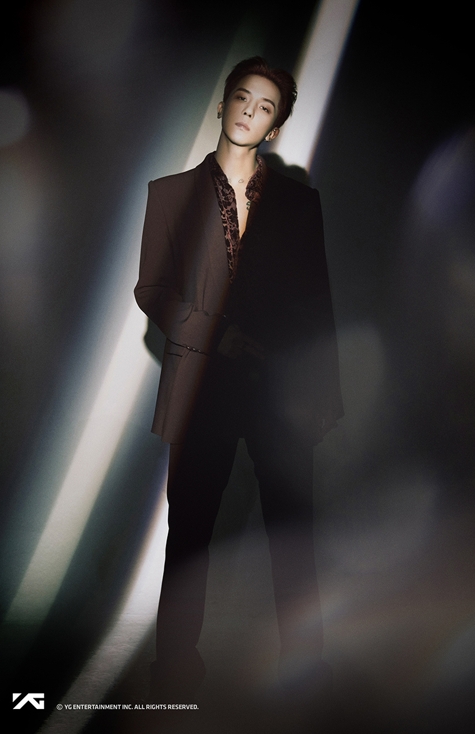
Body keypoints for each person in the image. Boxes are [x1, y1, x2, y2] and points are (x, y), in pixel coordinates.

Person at [134, 56, 343, 699]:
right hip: (203, 386)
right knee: (192, 526)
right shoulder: (171, 195)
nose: (250, 112)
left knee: (291, 525)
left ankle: (304, 657)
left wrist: (322, 388)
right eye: (243, 98)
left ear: (276, 126)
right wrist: (215, 332)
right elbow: (152, 291)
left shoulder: (299, 203)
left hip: (278, 387)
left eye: (265, 106)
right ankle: (175, 662)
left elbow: (317, 301)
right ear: (223, 103)